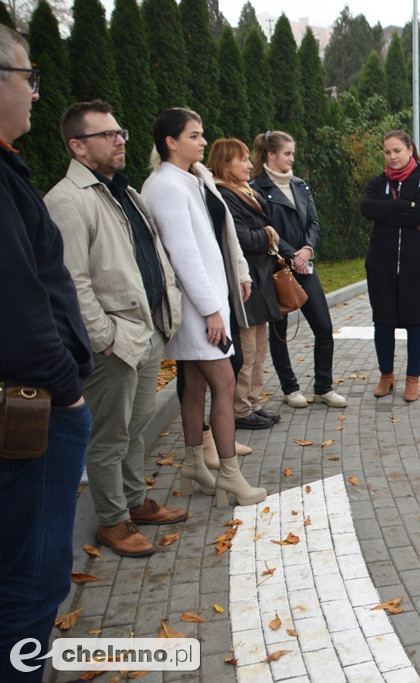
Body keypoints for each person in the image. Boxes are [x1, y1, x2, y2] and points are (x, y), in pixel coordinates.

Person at [44, 101, 185, 557]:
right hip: (113, 343)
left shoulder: (125, 192)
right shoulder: (66, 200)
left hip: (146, 332)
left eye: (120, 131)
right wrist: (102, 338)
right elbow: (71, 281)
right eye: (106, 134)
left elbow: (153, 255)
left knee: (134, 426)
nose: (119, 138)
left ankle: (135, 501)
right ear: (78, 147)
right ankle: (113, 519)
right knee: (108, 436)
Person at [0, 25, 93, 681]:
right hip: (30, 409)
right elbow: (21, 305)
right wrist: (68, 388)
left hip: (35, 397)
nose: (36, 91)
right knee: (32, 582)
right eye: (28, 76)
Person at [142, 108, 266, 508]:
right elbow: (183, 255)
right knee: (225, 383)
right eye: (194, 135)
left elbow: (218, 236)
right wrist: (212, 311)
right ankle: (229, 474)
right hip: (198, 306)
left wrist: (233, 282)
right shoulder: (164, 186)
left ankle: (196, 464)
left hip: (208, 300)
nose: (202, 141)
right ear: (170, 142)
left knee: (195, 385)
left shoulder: (192, 178)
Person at [251, 131, 346, 410]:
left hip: (306, 268)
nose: (292, 158)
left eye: (293, 153)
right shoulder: (257, 190)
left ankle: (323, 388)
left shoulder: (301, 185)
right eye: (287, 153)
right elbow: (266, 230)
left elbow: (314, 223)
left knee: (324, 328)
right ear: (271, 155)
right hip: (277, 269)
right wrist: (293, 254)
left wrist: (308, 250)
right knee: (279, 331)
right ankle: (289, 388)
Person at [359, 130, 420, 402]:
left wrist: (389, 211)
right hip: (382, 266)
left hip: (418, 266)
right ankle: (386, 376)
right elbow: (368, 209)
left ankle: (412, 379)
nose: (392, 157)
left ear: (410, 150)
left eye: (397, 150)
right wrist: (405, 205)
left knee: (416, 322)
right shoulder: (378, 182)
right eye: (387, 152)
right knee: (383, 322)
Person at [208, 138, 282, 430]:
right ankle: (240, 409)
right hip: (243, 281)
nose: (250, 164)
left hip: (259, 279)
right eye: (243, 160)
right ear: (226, 164)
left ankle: (254, 401)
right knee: (247, 350)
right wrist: (268, 234)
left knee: (260, 346)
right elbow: (242, 238)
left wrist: (265, 233)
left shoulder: (245, 191)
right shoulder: (223, 195)